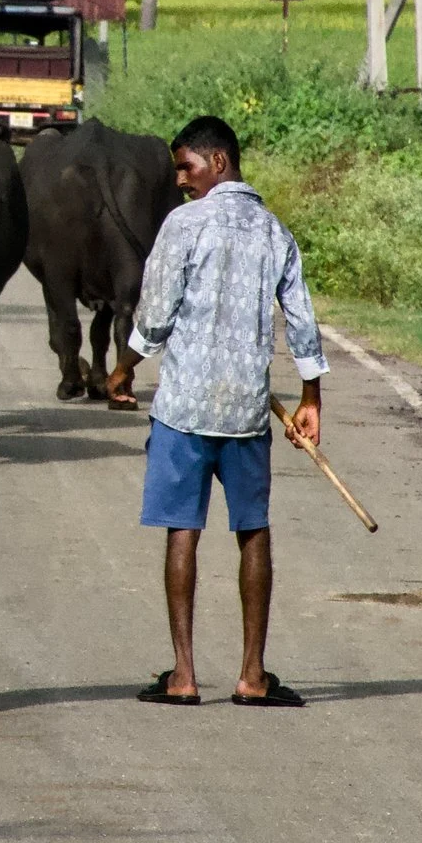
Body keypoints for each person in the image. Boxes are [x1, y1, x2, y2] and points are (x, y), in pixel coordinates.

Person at [109, 115, 326, 709]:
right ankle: (252, 677)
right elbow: (301, 319)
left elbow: (155, 313)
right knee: (252, 531)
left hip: (182, 411)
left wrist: (125, 367)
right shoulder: (274, 231)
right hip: (247, 413)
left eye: (187, 167)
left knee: (185, 530)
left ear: (219, 163)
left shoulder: (183, 224)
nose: (180, 180)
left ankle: (183, 676)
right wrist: (310, 399)